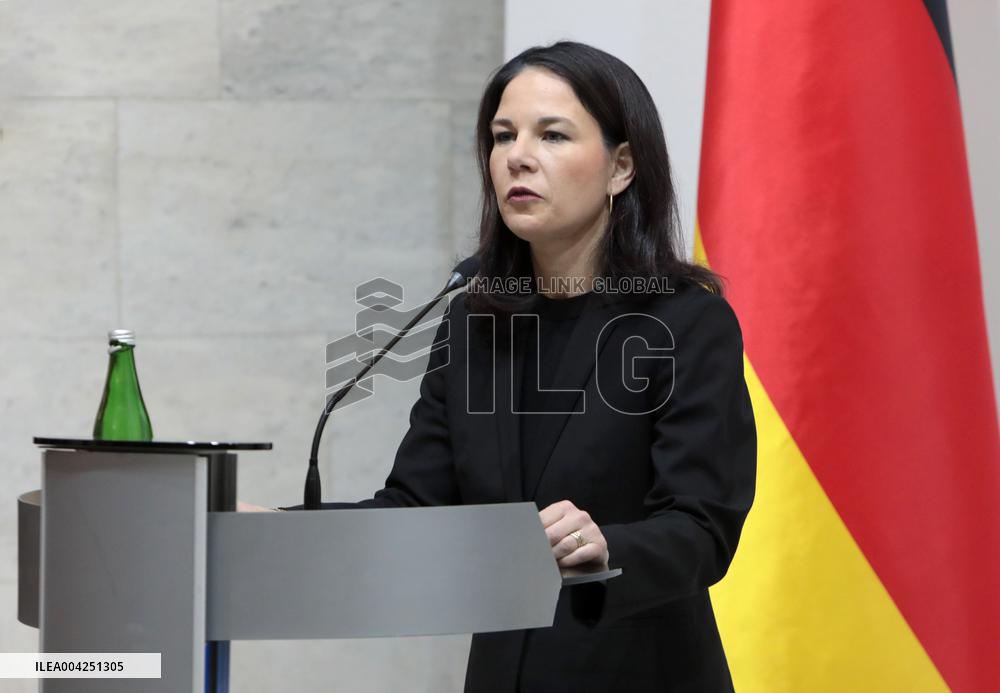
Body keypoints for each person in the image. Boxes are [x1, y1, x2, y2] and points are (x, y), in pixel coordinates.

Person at [262, 41, 756, 692]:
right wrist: (275, 530)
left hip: (637, 670)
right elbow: (418, 505)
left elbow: (701, 524)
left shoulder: (685, 323)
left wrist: (606, 544)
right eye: (502, 136)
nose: (516, 156)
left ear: (621, 166)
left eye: (552, 135)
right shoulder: (473, 319)